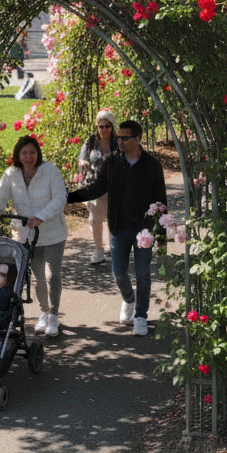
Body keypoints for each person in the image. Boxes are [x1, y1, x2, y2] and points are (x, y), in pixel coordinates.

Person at [67, 119, 168, 337]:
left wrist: (161, 233)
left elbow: (161, 200)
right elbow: (96, 188)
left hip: (144, 230)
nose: (119, 141)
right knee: (119, 272)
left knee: (143, 274)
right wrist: (70, 197)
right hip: (119, 227)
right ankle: (129, 299)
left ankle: (141, 315)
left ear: (137, 139)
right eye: (118, 137)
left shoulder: (152, 165)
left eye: (124, 138)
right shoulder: (113, 162)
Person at [0, 135, 68, 337]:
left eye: (32, 152)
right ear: (18, 155)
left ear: (38, 153)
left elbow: (59, 198)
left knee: (52, 275)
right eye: (24, 153)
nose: (29, 157)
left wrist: (40, 217)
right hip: (26, 234)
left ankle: (54, 315)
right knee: (38, 277)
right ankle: (44, 312)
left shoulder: (49, 170)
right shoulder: (11, 174)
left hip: (53, 232)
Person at [77, 110, 120, 265]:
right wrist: (83, 162)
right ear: (97, 127)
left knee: (113, 218)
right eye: (101, 126)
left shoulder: (118, 142)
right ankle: (99, 249)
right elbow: (82, 157)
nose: (104, 129)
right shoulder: (91, 141)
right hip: (95, 185)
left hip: (115, 186)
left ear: (112, 126)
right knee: (95, 219)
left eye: (107, 126)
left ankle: (113, 249)